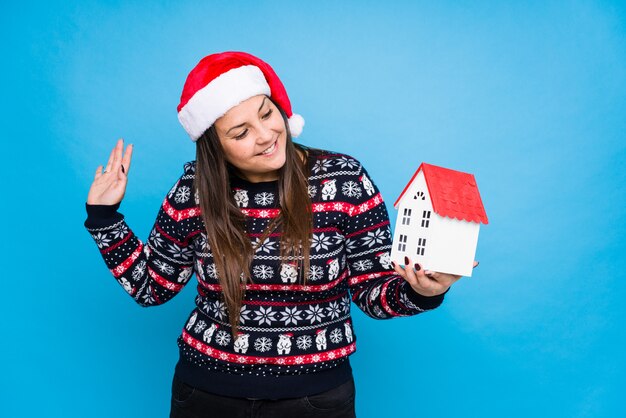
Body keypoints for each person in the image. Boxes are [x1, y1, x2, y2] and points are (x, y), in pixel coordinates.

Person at [84, 51, 474, 418]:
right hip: (205, 395)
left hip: (315, 400)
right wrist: (104, 218)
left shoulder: (343, 180)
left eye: (267, 113)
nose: (266, 134)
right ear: (214, 148)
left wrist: (423, 292)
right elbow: (153, 287)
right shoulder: (194, 190)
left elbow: (373, 292)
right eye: (240, 132)